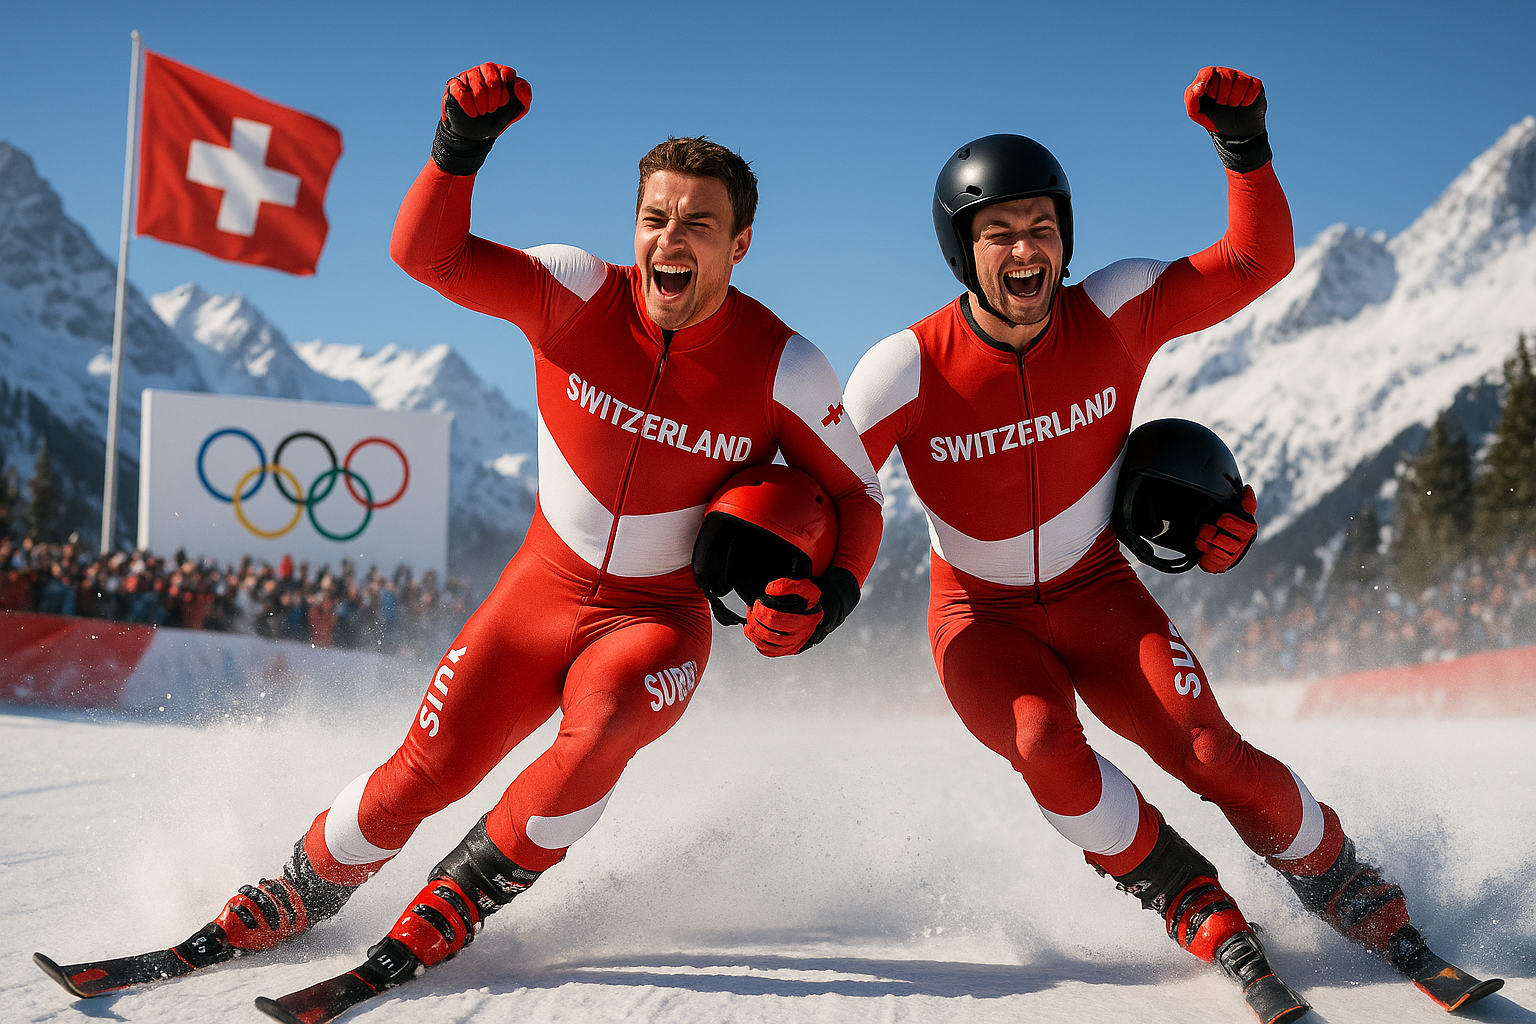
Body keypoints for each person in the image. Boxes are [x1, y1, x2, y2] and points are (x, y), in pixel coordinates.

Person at [43, 62, 882, 997]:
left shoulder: (787, 367)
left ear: (740, 244)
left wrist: (833, 595)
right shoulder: (575, 292)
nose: (670, 240)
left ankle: (461, 896)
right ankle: (299, 887)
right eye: (656, 217)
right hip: (541, 591)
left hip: (655, 619)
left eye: (698, 224)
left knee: (599, 727)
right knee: (423, 771)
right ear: (634, 225)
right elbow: (426, 257)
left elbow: (860, 500)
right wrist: (457, 151)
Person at [844, 67, 1478, 1010]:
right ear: (962, 251)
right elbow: (839, 493)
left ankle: (1362, 897)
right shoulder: (902, 367)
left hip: (1098, 591)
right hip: (978, 617)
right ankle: (1193, 904)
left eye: (1042, 228)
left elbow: (1257, 262)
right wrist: (821, 580)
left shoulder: (1117, 309)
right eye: (999, 234)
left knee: (1213, 756)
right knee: (1043, 740)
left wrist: (1243, 147)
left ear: (1065, 235)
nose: (1026, 251)